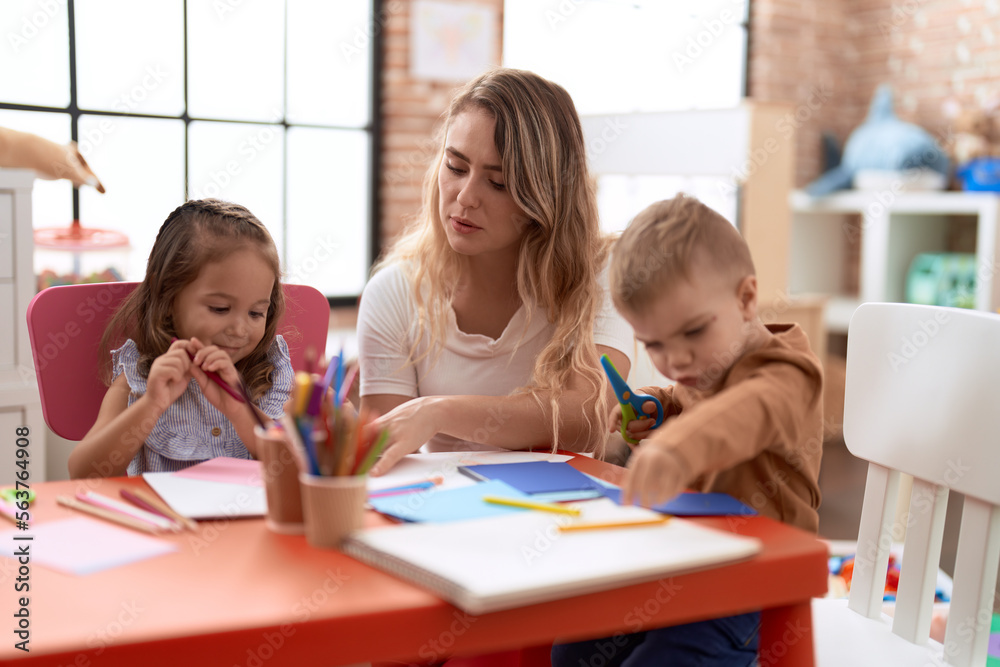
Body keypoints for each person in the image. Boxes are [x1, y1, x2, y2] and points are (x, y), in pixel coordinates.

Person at [551, 195, 824, 667]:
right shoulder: (705, 365)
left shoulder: (789, 375)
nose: (676, 360)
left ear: (746, 298)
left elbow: (742, 413)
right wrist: (658, 405)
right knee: (573, 646)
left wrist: (677, 447)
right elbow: (686, 398)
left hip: (759, 580)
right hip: (690, 556)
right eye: (654, 344)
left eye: (693, 333)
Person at [357, 67, 635, 475]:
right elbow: (385, 460)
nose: (465, 197)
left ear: (547, 194)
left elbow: (588, 419)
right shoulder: (394, 292)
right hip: (444, 518)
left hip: (573, 513)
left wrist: (439, 412)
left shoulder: (601, 273)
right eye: (455, 166)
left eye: (499, 183)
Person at [69, 199, 293, 478]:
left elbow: (296, 467)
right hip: (162, 520)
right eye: (220, 309)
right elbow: (83, 474)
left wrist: (240, 410)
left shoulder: (271, 370)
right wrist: (151, 404)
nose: (239, 329)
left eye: (256, 313)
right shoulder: (139, 373)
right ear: (168, 296)